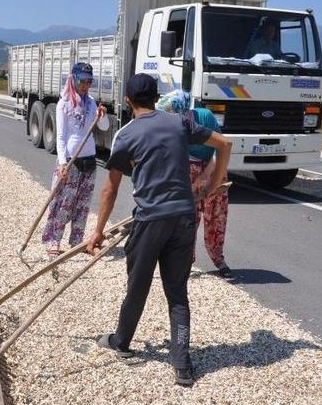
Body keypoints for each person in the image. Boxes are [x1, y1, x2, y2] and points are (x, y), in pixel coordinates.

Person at [87, 74, 232, 386]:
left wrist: (97, 231)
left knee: (137, 286)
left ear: (127, 100)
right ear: (156, 98)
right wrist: (212, 185)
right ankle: (182, 364)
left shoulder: (126, 135)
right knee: (177, 292)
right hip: (183, 218)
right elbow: (225, 144)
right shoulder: (179, 123)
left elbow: (110, 190)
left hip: (150, 220)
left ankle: (121, 342)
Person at [157, 92, 232, 278]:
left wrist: (206, 176)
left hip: (213, 166)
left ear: (183, 111)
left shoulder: (204, 117)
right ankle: (186, 260)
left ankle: (218, 258)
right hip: (187, 166)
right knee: (188, 217)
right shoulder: (169, 127)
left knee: (216, 215)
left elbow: (221, 149)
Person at [41, 62, 109, 257]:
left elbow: (103, 127)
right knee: (62, 202)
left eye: (89, 81)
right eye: (82, 81)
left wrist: (102, 116)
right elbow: (61, 137)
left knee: (83, 204)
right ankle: (54, 240)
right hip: (70, 161)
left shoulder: (91, 103)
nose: (86, 85)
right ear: (73, 79)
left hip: (89, 160)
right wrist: (62, 162)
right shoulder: (64, 104)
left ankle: (77, 241)